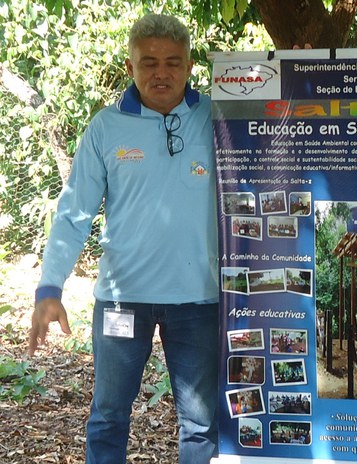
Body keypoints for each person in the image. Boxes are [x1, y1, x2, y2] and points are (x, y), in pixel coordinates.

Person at [28, 14, 219, 464]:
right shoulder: (106, 128)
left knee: (201, 423)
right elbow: (74, 213)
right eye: (148, 62)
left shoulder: (216, 119)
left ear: (189, 66)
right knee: (109, 416)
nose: (161, 73)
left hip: (199, 301)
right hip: (121, 300)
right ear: (130, 65)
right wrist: (49, 287)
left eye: (173, 62)